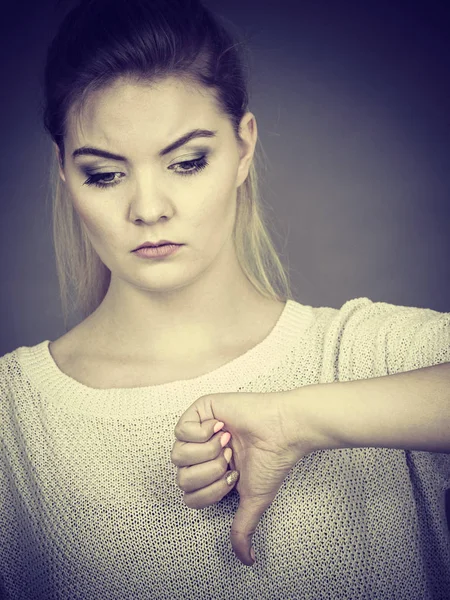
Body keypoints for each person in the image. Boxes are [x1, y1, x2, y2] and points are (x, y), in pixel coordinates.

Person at [0, 0, 449, 598]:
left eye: (187, 162)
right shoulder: (14, 416)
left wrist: (298, 419)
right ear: (63, 171)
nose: (149, 208)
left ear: (243, 148)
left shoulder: (371, 356)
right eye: (105, 174)